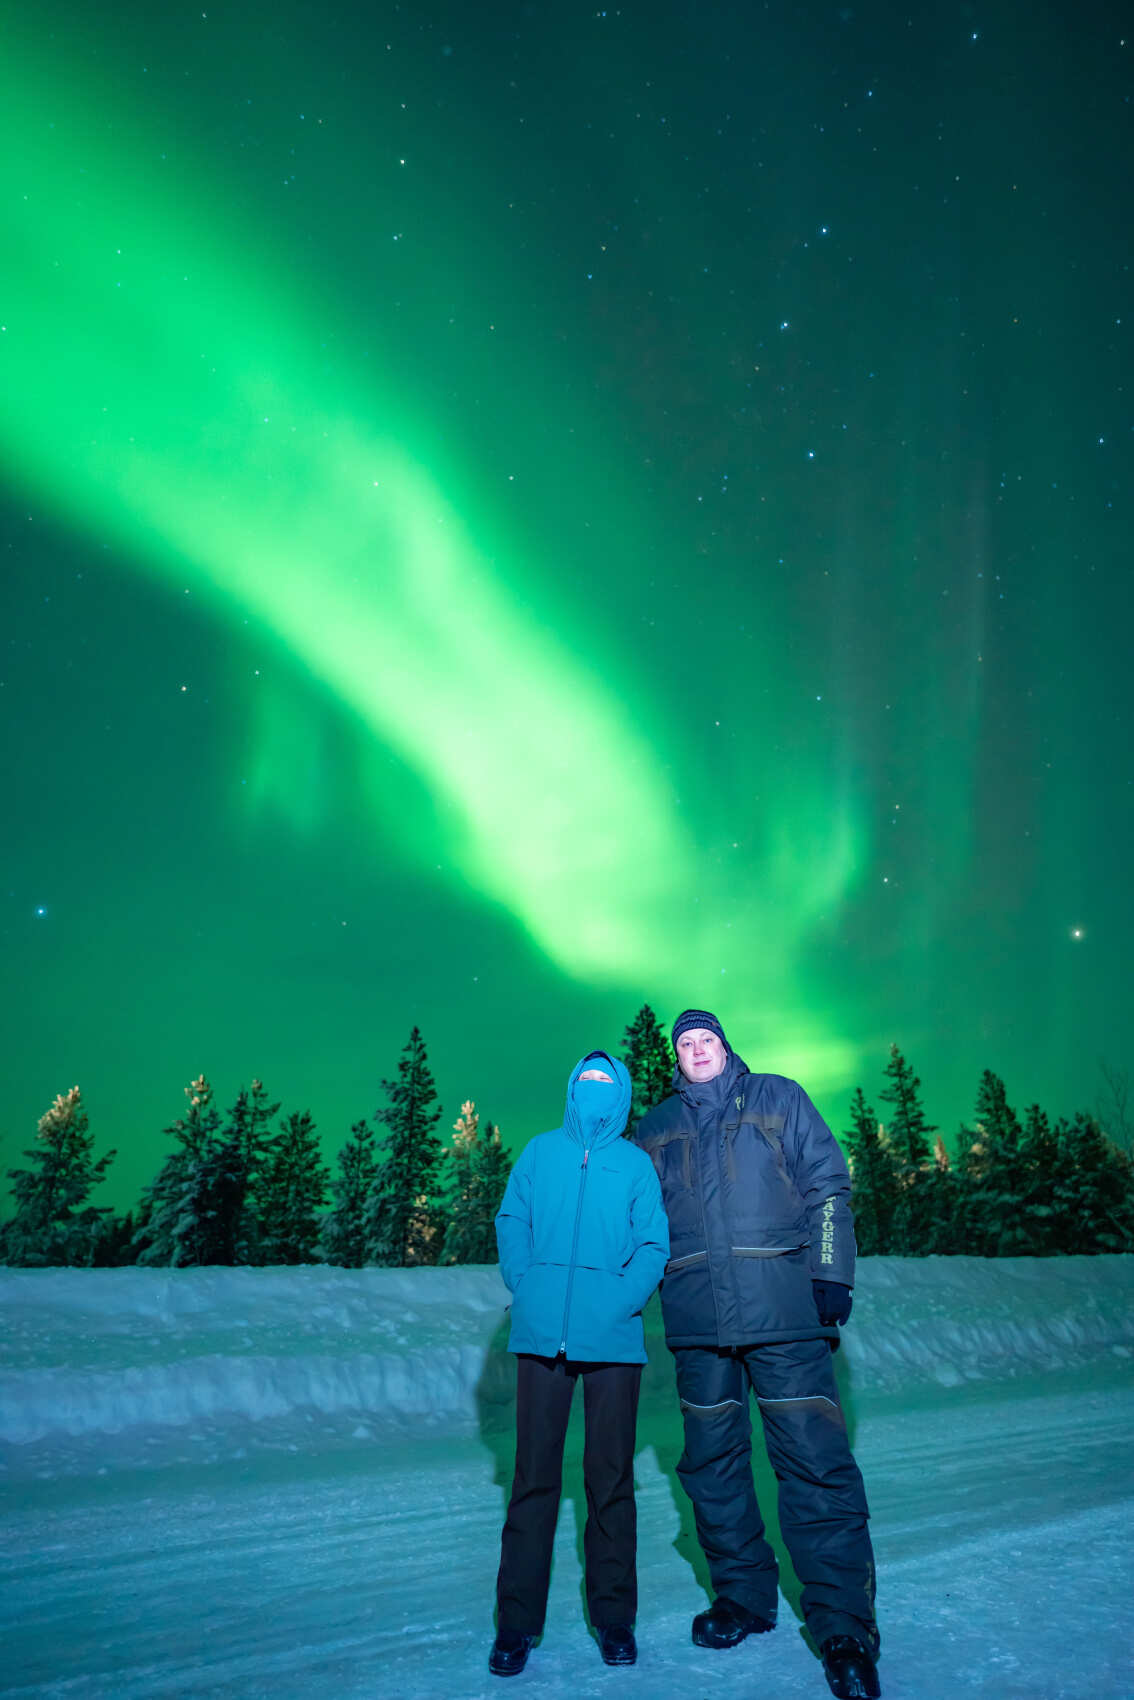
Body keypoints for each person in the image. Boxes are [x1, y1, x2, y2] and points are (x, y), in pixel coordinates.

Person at [633, 1010, 881, 1700]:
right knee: (712, 1468)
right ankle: (743, 1597)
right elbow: (633, 1223)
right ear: (676, 1060)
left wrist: (831, 1273)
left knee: (813, 1463)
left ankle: (844, 1629)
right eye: (684, 1044)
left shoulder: (779, 1098)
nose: (696, 1049)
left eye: (705, 1038)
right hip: (697, 1323)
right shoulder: (655, 1130)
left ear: (725, 1046)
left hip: (785, 1316)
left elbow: (828, 1186)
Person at [489, 1050, 670, 1678]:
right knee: (533, 1481)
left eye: (605, 1082)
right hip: (542, 1339)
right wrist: (526, 1280)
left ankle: (615, 1619)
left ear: (619, 1095)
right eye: (585, 1080)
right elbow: (511, 1219)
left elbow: (654, 1243)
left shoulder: (634, 1163)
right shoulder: (540, 1152)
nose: (594, 1089)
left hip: (613, 1343)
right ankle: (515, 1626)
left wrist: (622, 1301)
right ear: (572, 1088)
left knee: (610, 1481)